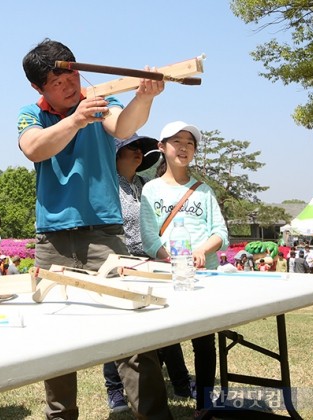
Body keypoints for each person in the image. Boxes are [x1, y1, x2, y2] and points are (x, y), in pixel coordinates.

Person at [18, 38, 167, 420]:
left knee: (133, 329)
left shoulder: (100, 101)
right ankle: (60, 415)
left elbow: (122, 126)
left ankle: (151, 414)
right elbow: (34, 148)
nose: (70, 86)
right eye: (58, 83)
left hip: (105, 232)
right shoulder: (30, 113)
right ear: (39, 88)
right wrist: (76, 119)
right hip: (52, 237)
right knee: (54, 334)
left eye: (72, 75)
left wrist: (144, 98)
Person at [140, 121, 229, 417]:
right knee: (162, 341)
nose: (183, 147)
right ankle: (158, 400)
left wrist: (203, 250)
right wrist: (173, 259)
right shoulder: (150, 190)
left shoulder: (203, 191)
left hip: (204, 276)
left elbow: (220, 232)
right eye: (176, 141)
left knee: (205, 344)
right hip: (169, 275)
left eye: (189, 143)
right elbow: (149, 236)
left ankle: (204, 406)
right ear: (161, 147)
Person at [109, 134, 189, 409]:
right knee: (118, 329)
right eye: (131, 149)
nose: (138, 153)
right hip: (121, 261)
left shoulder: (143, 185)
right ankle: (115, 390)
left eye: (140, 149)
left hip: (149, 260)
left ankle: (180, 381)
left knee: (160, 321)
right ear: (116, 155)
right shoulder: (108, 186)